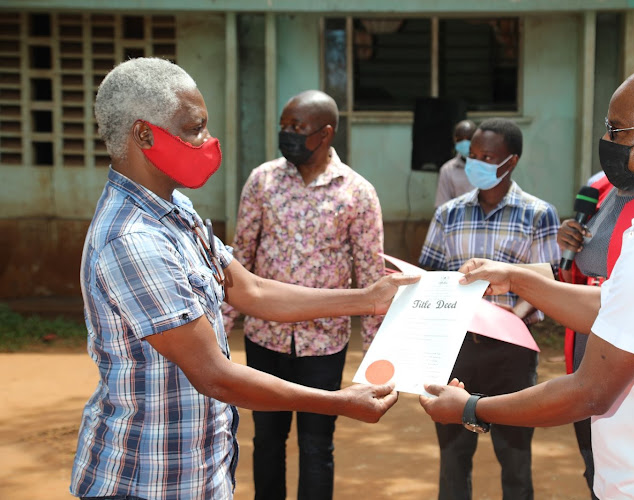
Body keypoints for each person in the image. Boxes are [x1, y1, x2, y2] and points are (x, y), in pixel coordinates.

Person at [69, 58, 419, 500]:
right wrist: (337, 402)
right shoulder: (133, 240)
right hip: (147, 479)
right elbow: (215, 375)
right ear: (144, 134)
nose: (207, 141)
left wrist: (368, 298)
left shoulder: (176, 211)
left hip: (198, 471)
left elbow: (250, 289)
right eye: (195, 128)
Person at [420, 61, 634, 499]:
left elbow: (590, 391)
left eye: (619, 131)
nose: (606, 143)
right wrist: (515, 277)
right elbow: (608, 306)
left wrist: (472, 407)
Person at [221, 90, 385, 500]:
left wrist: (380, 353)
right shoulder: (262, 181)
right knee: (267, 440)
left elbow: (370, 274)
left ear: (325, 133)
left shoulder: (357, 193)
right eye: (284, 125)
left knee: (316, 445)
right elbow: (239, 259)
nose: (286, 134)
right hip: (265, 336)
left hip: (324, 343)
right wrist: (219, 329)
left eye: (297, 127)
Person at [419, 118, 561, 500]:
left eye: (488, 157)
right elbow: (430, 274)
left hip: (511, 354)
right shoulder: (448, 214)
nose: (476, 164)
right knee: (453, 459)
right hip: (455, 350)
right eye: (473, 156)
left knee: (515, 459)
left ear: (510, 161)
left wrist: (513, 316)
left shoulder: (537, 214)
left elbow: (546, 282)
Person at [556, 174, 634, 499]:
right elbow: (579, 277)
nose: (609, 138)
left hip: (629, 351)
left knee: (627, 468)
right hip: (585, 341)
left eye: (618, 129)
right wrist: (569, 245)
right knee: (594, 465)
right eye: (608, 127)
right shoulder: (598, 190)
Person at [434, 119, 477, 207]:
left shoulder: (488, 166)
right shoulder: (447, 170)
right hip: (458, 219)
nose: (465, 143)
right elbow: (442, 205)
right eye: (460, 139)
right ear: (454, 140)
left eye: (469, 139)